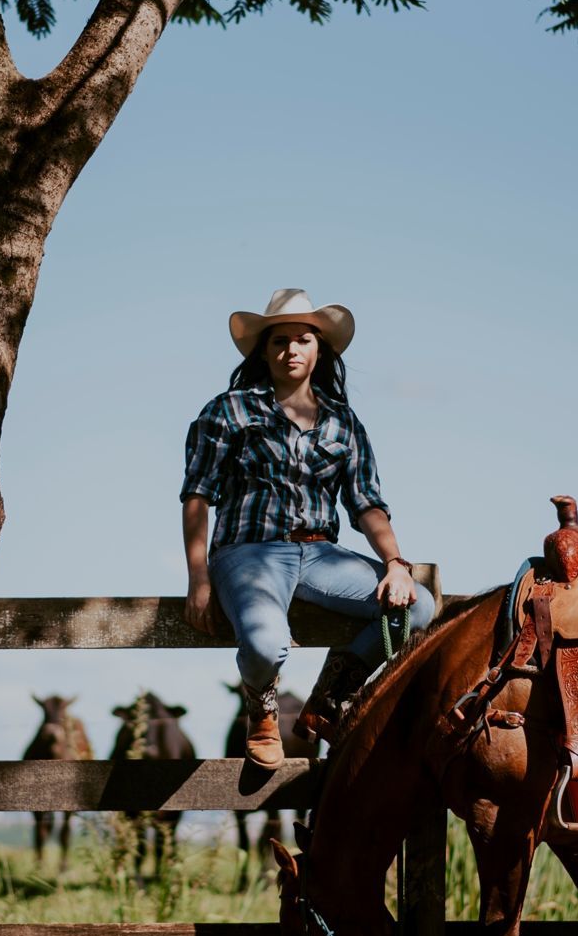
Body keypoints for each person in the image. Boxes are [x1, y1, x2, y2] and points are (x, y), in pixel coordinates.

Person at [180, 288, 437, 769]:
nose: (291, 350)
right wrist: (198, 577)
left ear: (320, 350)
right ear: (264, 351)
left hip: (321, 555)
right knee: (266, 643)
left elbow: (367, 504)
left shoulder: (344, 423)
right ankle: (262, 709)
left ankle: (332, 695)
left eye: (303, 340)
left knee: (418, 607)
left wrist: (395, 564)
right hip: (247, 553)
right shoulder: (228, 411)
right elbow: (197, 496)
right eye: (279, 341)